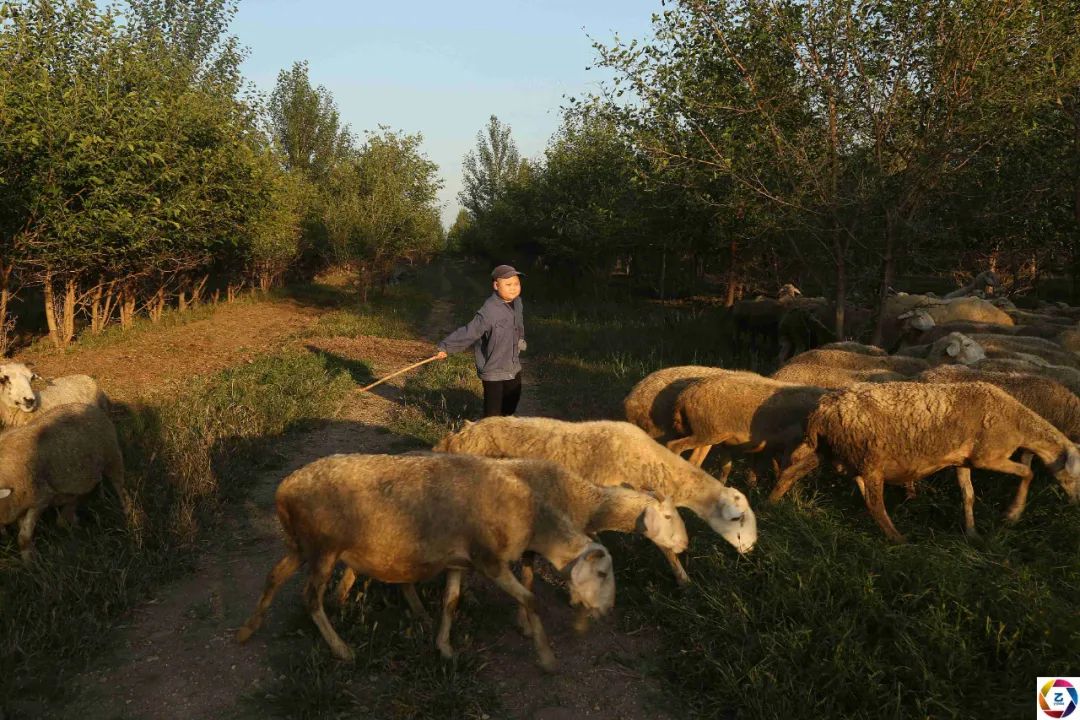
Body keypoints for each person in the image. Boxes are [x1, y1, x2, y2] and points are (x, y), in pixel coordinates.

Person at [436, 264, 526, 417]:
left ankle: (503, 426)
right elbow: (469, 332)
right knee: (493, 411)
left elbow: (518, 324)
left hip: (512, 364)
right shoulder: (488, 312)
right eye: (508, 284)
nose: (513, 288)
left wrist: (520, 340)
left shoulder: (517, 303)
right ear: (496, 286)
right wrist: (445, 347)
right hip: (493, 368)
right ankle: (488, 433)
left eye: (516, 283)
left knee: (512, 400)